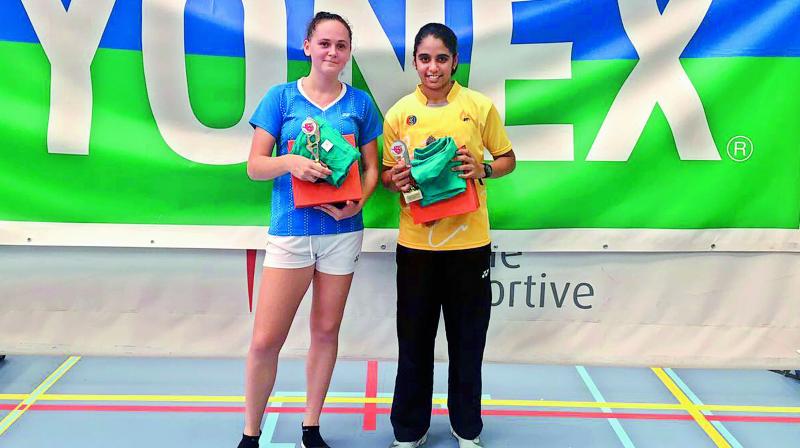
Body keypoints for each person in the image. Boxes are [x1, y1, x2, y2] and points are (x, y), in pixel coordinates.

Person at [238, 11, 382, 448]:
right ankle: (250, 432)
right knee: (266, 340)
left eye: (341, 46)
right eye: (325, 44)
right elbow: (254, 167)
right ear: (307, 47)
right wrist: (290, 162)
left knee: (325, 332)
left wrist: (361, 199)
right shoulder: (280, 99)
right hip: (291, 232)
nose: (332, 52)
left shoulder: (359, 105)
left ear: (349, 53)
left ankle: (311, 425)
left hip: (343, 234)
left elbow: (372, 168)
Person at [381, 23, 517, 448]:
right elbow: (387, 175)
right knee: (414, 340)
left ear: (455, 61)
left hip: (469, 246)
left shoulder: (478, 106)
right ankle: (409, 429)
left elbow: (508, 158)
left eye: (442, 58)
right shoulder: (400, 112)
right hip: (417, 245)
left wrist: (484, 169)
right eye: (425, 58)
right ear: (415, 62)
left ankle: (467, 428)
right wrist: (396, 178)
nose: (433, 67)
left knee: (467, 342)